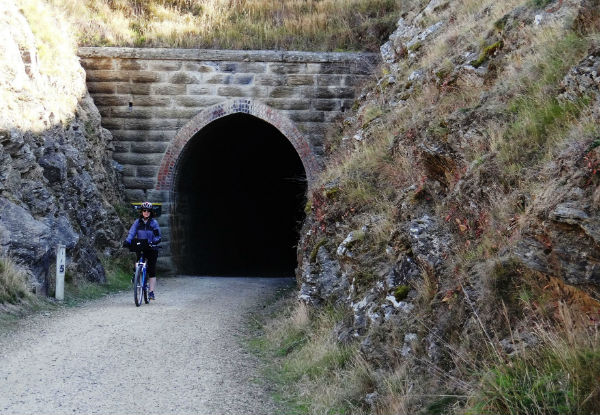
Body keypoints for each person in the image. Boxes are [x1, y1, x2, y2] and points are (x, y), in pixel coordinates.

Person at [123, 201, 161, 300]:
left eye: (148, 211)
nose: (146, 212)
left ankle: (151, 292)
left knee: (152, 269)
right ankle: (136, 276)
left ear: (151, 212)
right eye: (144, 210)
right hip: (141, 246)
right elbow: (132, 232)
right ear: (141, 212)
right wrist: (127, 241)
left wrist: (155, 242)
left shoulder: (154, 223)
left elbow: (157, 236)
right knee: (138, 261)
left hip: (152, 247)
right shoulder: (137, 222)